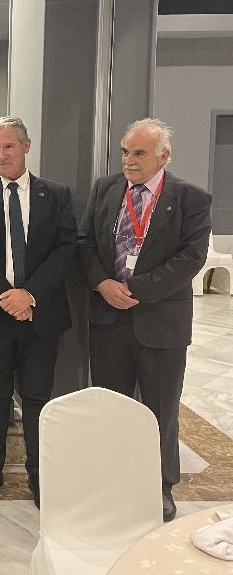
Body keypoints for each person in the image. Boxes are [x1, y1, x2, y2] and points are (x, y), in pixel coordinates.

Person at [77, 118, 211, 522]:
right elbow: (84, 242)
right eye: (124, 151)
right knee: (112, 407)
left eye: (139, 153)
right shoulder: (105, 189)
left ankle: (160, 486)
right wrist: (102, 282)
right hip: (107, 318)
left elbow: (191, 257)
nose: (129, 160)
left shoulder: (191, 197)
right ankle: (114, 482)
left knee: (159, 409)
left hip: (159, 322)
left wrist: (137, 289)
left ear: (163, 156)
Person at [0, 116, 77, 507]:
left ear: (26, 147)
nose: (0, 154)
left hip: (41, 315)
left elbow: (66, 248)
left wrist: (29, 295)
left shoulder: (55, 194)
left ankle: (38, 475)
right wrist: (7, 295)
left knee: (37, 397)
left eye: (8, 146)